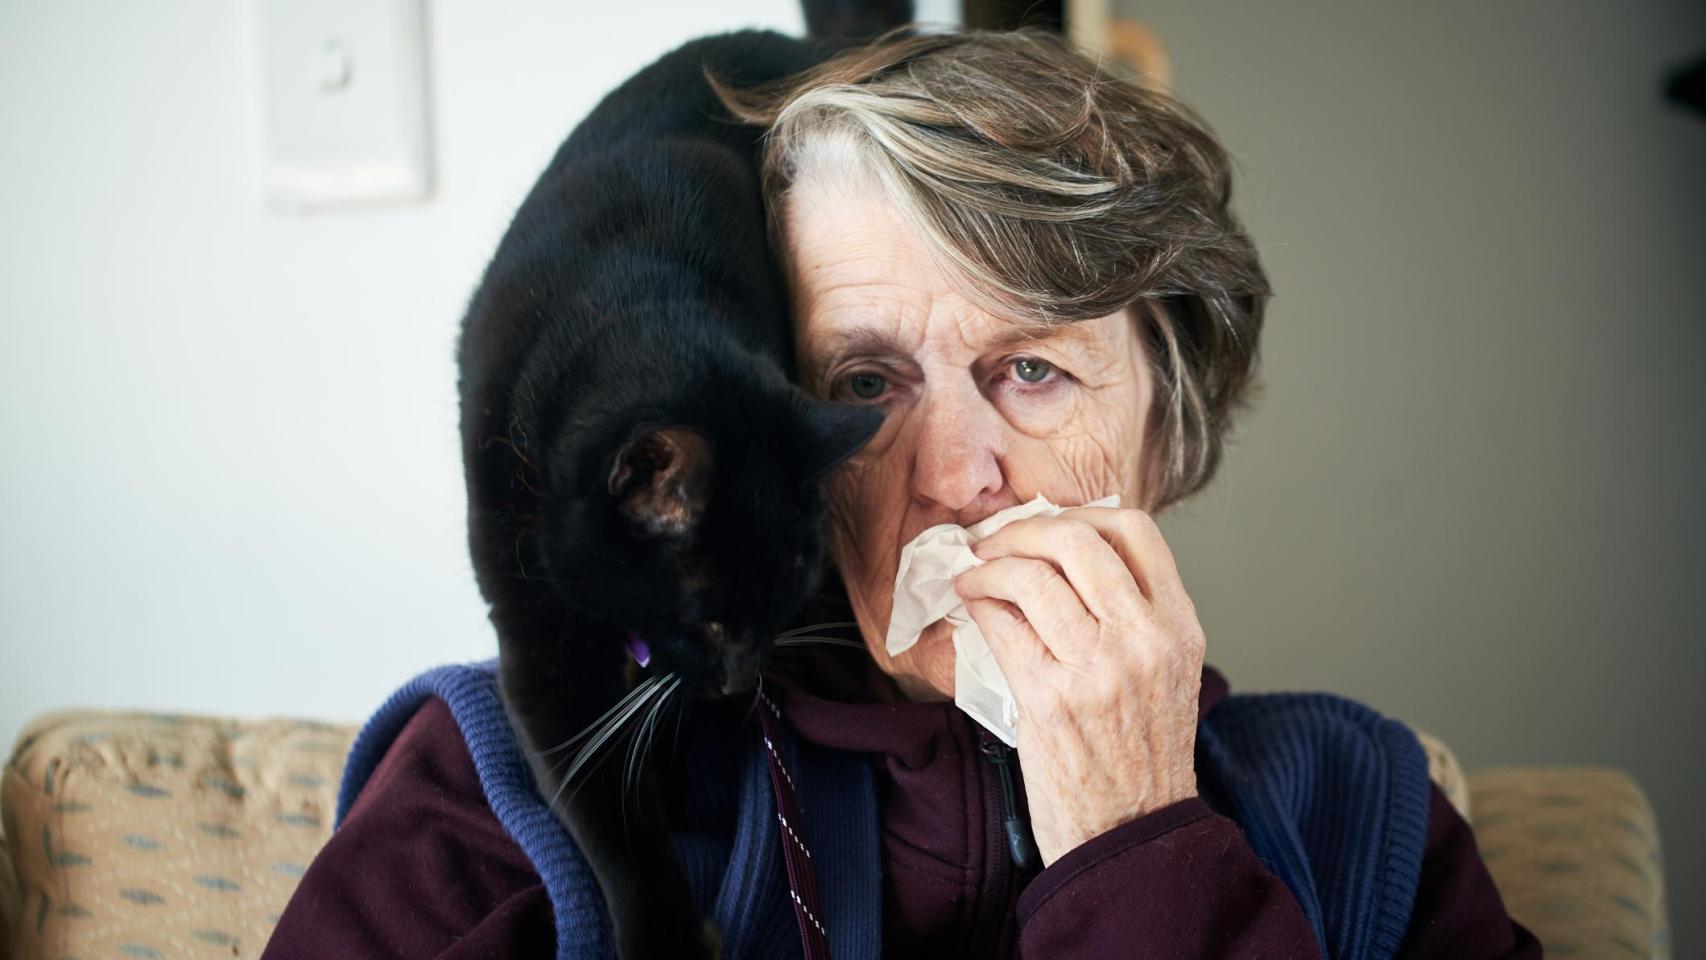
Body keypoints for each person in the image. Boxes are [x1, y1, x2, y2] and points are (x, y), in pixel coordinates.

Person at [263, 28, 1542, 959]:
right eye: (866, 385)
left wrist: (1141, 845)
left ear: (1172, 429)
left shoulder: (1356, 812)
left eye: (1032, 369)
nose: (952, 475)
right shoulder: (505, 797)